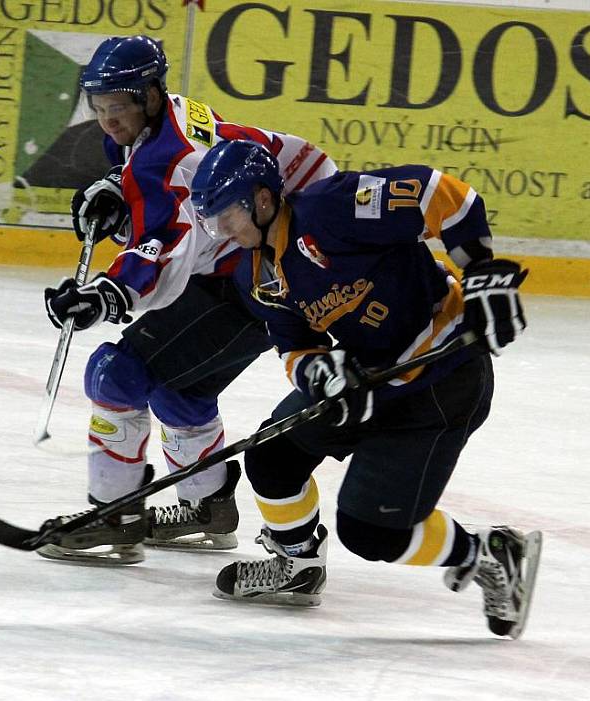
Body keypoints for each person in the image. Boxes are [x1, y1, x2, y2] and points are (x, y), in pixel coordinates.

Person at [189, 139, 543, 639]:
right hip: (371, 377)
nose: (220, 230)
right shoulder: (256, 275)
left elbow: (444, 195)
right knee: (272, 457)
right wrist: (323, 377)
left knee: (372, 532)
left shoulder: (332, 208)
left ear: (263, 200)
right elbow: (294, 346)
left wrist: (482, 270)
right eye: (211, 220)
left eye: (226, 215)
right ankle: (297, 566)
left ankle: (488, 553)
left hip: (444, 380)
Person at [40, 36, 337, 565]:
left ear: (151, 95)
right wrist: (118, 188)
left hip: (253, 278)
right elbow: (178, 194)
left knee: (117, 373)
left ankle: (112, 518)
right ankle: (208, 511)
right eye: (100, 107)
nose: (109, 121)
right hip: (257, 262)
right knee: (179, 393)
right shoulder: (176, 114)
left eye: (119, 107)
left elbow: (166, 251)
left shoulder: (173, 157)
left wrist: (106, 295)